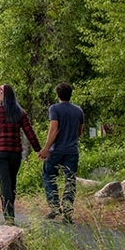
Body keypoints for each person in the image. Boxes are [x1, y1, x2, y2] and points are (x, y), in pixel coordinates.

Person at [0, 84, 42, 225]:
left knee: (5, 184)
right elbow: (29, 132)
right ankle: (9, 215)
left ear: (3, 94)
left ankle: (9, 217)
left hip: (0, 152)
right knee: (11, 184)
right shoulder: (20, 113)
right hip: (15, 153)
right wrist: (38, 149)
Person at [37, 82, 85, 224]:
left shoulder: (54, 109)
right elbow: (80, 130)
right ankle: (68, 213)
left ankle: (54, 207)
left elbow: (54, 129)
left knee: (48, 175)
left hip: (56, 151)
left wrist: (46, 148)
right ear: (70, 94)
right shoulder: (78, 110)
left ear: (57, 95)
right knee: (70, 180)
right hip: (72, 150)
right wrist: (71, 139)